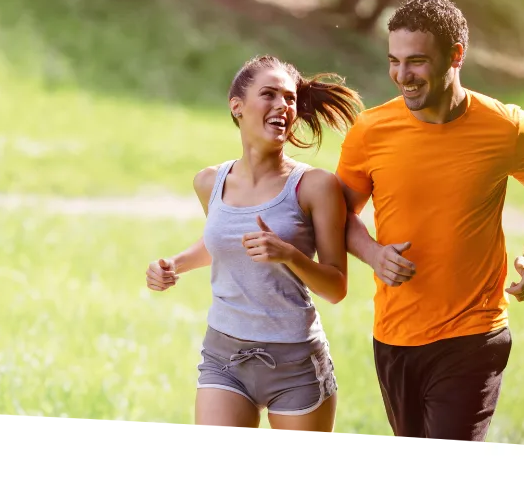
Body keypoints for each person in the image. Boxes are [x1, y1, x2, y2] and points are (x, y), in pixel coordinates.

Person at [335, 0, 524, 441]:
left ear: (455, 55)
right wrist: (373, 253)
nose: (403, 76)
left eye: (417, 61)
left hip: (474, 333)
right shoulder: (370, 131)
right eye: (394, 62)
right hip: (396, 334)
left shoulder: (508, 128)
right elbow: (339, 214)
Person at [146, 55, 362, 431]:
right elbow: (224, 243)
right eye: (269, 94)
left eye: (290, 98)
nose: (283, 106)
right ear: (237, 107)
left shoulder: (315, 187)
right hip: (224, 356)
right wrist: (174, 265)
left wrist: (289, 255)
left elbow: (337, 288)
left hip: (295, 364)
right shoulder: (209, 181)